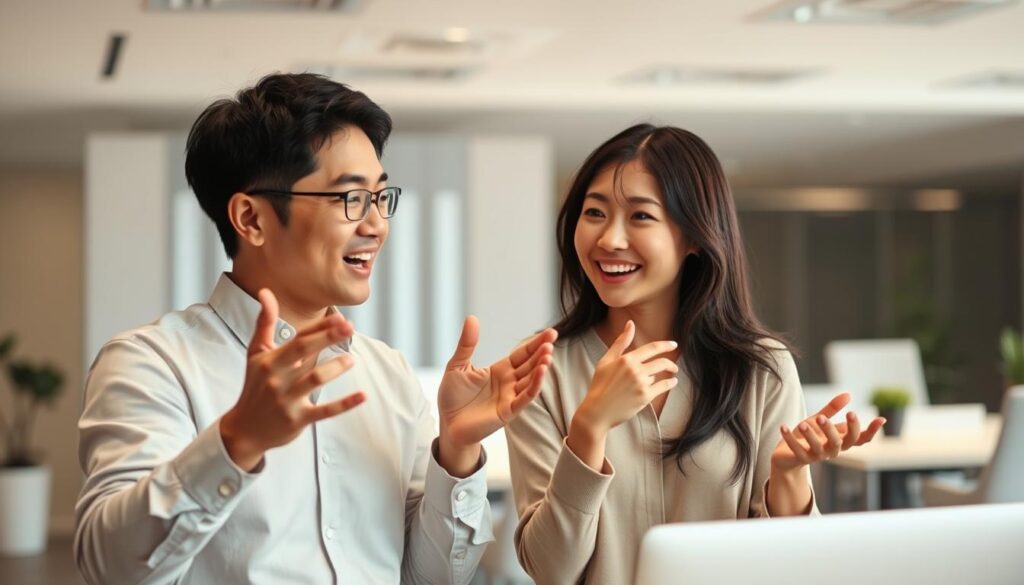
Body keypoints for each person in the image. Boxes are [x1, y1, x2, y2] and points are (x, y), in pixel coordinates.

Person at [74, 72, 557, 585]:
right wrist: (236, 442)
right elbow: (113, 569)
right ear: (251, 219)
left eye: (380, 196)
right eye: (350, 199)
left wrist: (456, 453)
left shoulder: (386, 374)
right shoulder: (152, 364)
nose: (375, 225)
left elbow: (432, 578)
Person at [505, 124, 885, 585]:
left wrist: (787, 477)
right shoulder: (540, 372)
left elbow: (791, 568)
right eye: (594, 212)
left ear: (695, 237)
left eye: (640, 217)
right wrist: (589, 427)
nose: (609, 240)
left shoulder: (761, 369)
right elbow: (551, 571)